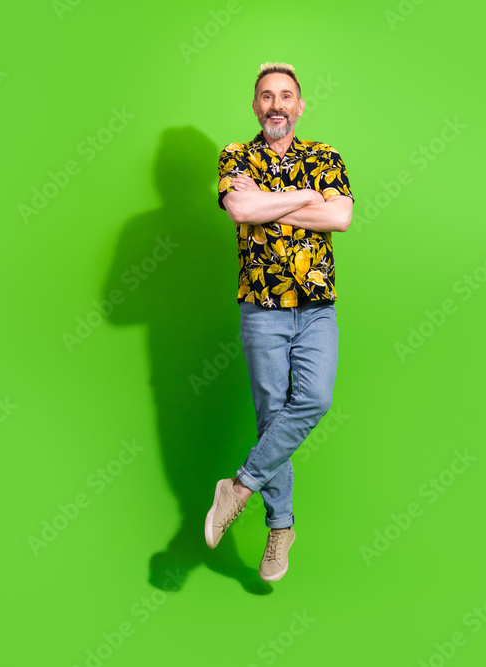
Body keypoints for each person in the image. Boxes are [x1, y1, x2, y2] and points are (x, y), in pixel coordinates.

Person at [204, 62, 354, 583]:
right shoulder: (235, 156)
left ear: (300, 105)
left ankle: (239, 487)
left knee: (314, 400)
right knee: (273, 417)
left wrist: (268, 205)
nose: (276, 105)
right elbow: (239, 211)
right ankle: (280, 527)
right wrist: (307, 199)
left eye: (285, 96)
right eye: (266, 96)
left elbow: (340, 217)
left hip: (316, 306)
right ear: (255, 106)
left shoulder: (325, 156)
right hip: (262, 308)